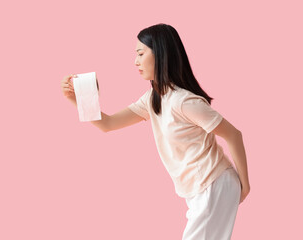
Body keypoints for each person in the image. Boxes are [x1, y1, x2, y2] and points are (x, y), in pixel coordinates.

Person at [61, 23, 250, 240]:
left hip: (213, 184)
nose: (135, 61)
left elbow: (233, 135)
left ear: (160, 54)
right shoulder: (154, 98)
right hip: (199, 190)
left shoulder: (184, 101)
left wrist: (245, 186)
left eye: (141, 53)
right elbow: (109, 124)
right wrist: (78, 100)